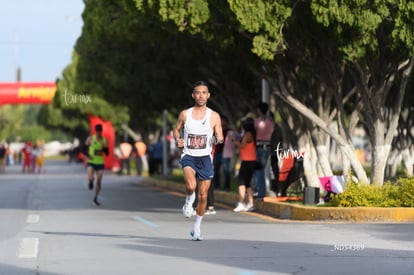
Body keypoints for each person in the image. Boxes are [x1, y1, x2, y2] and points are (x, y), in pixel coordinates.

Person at [173, 80, 224, 241]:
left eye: (204, 93)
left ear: (208, 95)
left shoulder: (214, 116)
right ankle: (189, 200)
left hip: (205, 158)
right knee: (191, 186)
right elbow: (176, 129)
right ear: (193, 95)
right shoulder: (185, 114)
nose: (201, 95)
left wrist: (216, 140)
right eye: (198, 93)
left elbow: (220, 137)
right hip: (189, 155)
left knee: (203, 196)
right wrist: (178, 139)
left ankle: (197, 228)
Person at [231, 117, 256, 212]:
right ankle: (250, 203)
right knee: (247, 183)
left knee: (241, 183)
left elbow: (242, 145)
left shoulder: (247, 134)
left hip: (247, 161)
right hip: (251, 160)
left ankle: (241, 203)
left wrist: (233, 140)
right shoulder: (252, 133)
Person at [254, 102, 274, 200]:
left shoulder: (257, 121)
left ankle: (260, 193)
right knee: (261, 169)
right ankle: (261, 192)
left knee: (258, 170)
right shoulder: (270, 122)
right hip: (268, 146)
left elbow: (253, 131)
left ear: (259, 110)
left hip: (259, 146)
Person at [85, 124, 109, 206]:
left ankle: (96, 197)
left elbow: (107, 153)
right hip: (91, 161)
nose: (98, 133)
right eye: (97, 131)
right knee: (91, 177)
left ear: (101, 131)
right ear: (95, 131)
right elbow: (84, 148)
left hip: (100, 162)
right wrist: (88, 155)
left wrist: (103, 148)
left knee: (99, 180)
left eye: (100, 131)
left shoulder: (104, 140)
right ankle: (91, 182)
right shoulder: (90, 139)